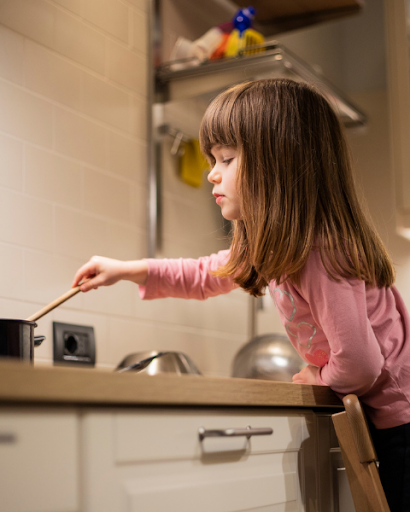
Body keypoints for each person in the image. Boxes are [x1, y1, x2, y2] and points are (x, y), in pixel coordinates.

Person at [73, 78, 410, 511]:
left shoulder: (321, 250)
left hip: (401, 424)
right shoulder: (279, 245)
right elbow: (204, 273)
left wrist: (320, 379)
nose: (213, 172)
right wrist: (128, 270)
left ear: (281, 165)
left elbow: (361, 364)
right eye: (213, 159)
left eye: (227, 159)